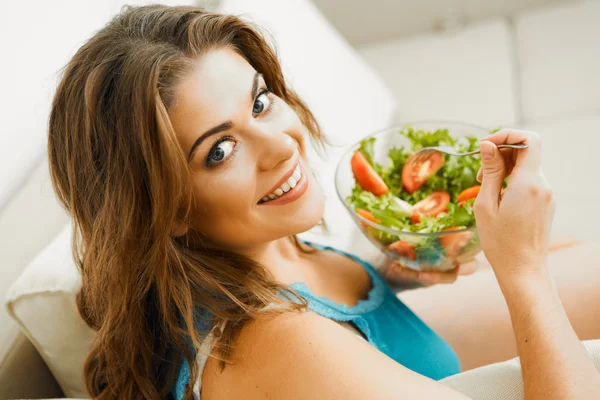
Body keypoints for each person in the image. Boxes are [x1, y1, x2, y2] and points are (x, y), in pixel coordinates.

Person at [46, 4, 600, 400]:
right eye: (220, 150)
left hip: (375, 354)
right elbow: (301, 348)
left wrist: (389, 275)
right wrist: (522, 269)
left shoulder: (254, 248)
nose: (281, 146)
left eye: (260, 102)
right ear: (165, 211)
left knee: (581, 257)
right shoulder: (277, 342)